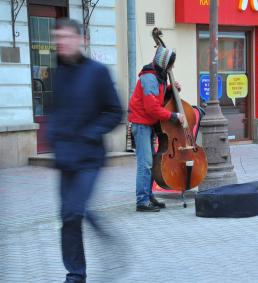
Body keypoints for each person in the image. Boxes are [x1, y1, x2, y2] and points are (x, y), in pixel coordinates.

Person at [47, 18, 123, 282]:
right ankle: (75, 274)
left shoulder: (98, 72)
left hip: (90, 157)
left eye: (67, 37)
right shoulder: (57, 73)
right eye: (58, 38)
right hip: (65, 158)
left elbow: (115, 112)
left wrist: (91, 132)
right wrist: (53, 135)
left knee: (76, 210)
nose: (62, 43)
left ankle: (105, 236)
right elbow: (55, 111)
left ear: (82, 40)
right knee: (68, 218)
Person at [128, 46, 184, 212]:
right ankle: (142, 201)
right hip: (141, 123)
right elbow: (152, 107)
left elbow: (157, 97)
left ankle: (148, 196)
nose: (171, 68)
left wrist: (171, 88)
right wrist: (173, 116)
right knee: (145, 163)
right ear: (164, 63)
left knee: (150, 162)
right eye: (170, 65)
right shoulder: (150, 78)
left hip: (148, 123)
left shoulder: (158, 76)